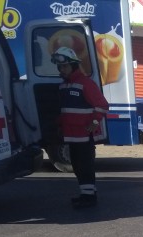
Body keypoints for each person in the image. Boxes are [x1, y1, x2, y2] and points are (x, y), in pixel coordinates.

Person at [53, 47, 109, 209]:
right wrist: (58, 125)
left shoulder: (85, 84)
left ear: (73, 66)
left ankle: (89, 198)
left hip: (84, 135)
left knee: (85, 166)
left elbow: (102, 105)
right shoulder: (63, 86)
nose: (61, 70)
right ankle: (87, 193)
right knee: (77, 166)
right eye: (60, 67)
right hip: (71, 135)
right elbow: (65, 111)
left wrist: (95, 122)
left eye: (64, 66)